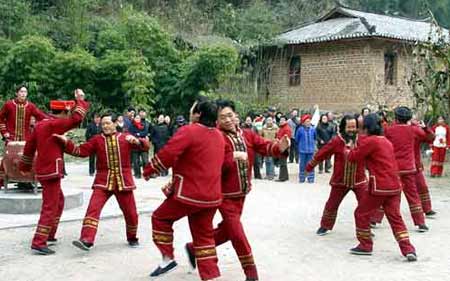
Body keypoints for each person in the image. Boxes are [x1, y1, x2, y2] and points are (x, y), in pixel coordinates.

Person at [185, 100, 290, 281]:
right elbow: (211, 163)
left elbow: (264, 146)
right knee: (237, 234)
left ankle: (194, 248)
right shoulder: (215, 137)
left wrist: (278, 147)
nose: (227, 120)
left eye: (229, 115)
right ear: (216, 120)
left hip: (241, 194)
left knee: (228, 231)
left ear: (236, 116)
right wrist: (231, 157)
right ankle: (251, 273)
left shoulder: (247, 135)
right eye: (222, 117)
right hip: (223, 195)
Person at [143, 99, 224, 281]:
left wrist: (149, 169)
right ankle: (211, 276)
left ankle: (167, 257)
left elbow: (169, 153)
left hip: (189, 193)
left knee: (160, 218)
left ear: (198, 114)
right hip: (211, 196)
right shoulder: (219, 135)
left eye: (192, 110)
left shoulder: (189, 131)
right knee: (204, 236)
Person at [55, 112, 149, 251]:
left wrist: (138, 141)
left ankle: (132, 237)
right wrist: (66, 142)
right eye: (103, 124)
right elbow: (81, 151)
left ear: (115, 124)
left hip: (124, 181)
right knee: (93, 209)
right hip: (103, 182)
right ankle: (87, 239)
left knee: (131, 213)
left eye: (108, 123)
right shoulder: (96, 140)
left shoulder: (125, 138)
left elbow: (145, 147)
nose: (104, 126)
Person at [19, 89, 89, 255]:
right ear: (64, 112)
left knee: (58, 201)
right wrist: (80, 99)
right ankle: (39, 241)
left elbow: (29, 148)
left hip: (44, 170)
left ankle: (49, 234)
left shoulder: (40, 125)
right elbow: (77, 118)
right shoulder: (54, 124)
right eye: (67, 112)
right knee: (50, 206)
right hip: (51, 171)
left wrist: (24, 167)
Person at [345, 113, 417, 262]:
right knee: (395, 218)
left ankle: (365, 245)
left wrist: (347, 149)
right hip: (395, 185)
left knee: (361, 213)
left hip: (380, 186)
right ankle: (408, 249)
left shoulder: (370, 141)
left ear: (366, 127)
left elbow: (353, 157)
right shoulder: (385, 141)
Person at [306, 115, 367, 235]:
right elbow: (322, 153)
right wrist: (310, 166)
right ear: (343, 127)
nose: (351, 130)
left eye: (353, 127)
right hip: (340, 180)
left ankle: (365, 228)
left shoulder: (363, 140)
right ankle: (325, 226)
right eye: (349, 127)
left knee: (365, 204)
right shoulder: (337, 141)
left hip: (359, 179)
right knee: (332, 204)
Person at [384, 107, 429, 232]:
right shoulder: (414, 130)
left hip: (393, 168)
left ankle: (375, 219)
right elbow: (429, 138)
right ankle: (420, 222)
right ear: (409, 118)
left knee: (388, 194)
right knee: (413, 195)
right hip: (409, 168)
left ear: (396, 118)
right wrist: (424, 127)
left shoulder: (389, 130)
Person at [0, 85, 47, 188]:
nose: (23, 94)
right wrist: (4, 132)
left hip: (26, 138)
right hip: (11, 138)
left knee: (28, 159)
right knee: (8, 159)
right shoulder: (8, 105)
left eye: (25, 92)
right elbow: (1, 119)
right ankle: (4, 180)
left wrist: (53, 122)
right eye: (21, 92)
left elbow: (41, 116)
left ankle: (25, 181)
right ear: (16, 93)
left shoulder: (30, 106)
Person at [296, 114, 316, 183]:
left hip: (311, 150)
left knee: (310, 164)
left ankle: (311, 178)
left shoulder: (313, 129)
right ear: (303, 122)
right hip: (302, 150)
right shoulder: (300, 130)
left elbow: (315, 138)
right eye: (307, 121)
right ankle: (302, 178)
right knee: (302, 165)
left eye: (309, 121)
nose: (308, 123)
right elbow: (297, 139)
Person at [276, 115, 292, 182]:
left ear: (285, 121)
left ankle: (282, 177)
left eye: (283, 120)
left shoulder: (286, 128)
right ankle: (285, 176)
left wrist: (281, 144)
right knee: (282, 162)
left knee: (283, 163)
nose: (281, 121)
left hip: (284, 147)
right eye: (280, 120)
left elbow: (286, 139)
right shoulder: (281, 127)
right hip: (281, 146)